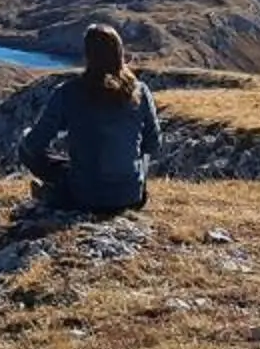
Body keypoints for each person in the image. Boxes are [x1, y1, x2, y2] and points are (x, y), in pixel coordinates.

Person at [18, 24, 164, 213]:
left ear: (87, 55)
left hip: (85, 196)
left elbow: (36, 143)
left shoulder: (68, 92)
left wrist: (27, 136)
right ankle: (67, 191)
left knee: (26, 149)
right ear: (120, 53)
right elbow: (154, 144)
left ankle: (54, 195)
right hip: (132, 196)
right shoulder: (140, 91)